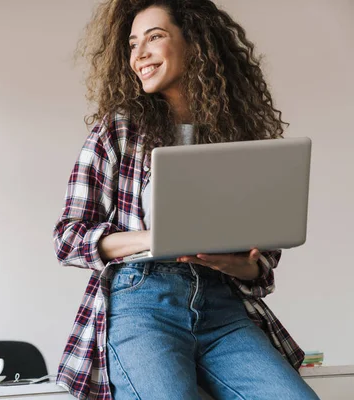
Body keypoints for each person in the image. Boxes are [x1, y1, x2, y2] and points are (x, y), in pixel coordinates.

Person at [52, 1, 320, 399]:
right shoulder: (119, 129)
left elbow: (260, 267)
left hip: (222, 307)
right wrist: (155, 237)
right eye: (132, 44)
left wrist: (233, 263)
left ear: (194, 43)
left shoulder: (237, 138)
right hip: (142, 303)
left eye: (155, 37)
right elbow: (69, 237)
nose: (139, 54)